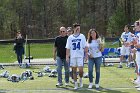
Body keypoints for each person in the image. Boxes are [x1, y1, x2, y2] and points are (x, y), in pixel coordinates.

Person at [66, 23, 88, 90]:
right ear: (74, 29)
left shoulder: (82, 36)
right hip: (73, 56)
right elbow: (68, 47)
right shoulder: (70, 37)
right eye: (77, 28)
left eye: (79, 28)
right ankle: (75, 84)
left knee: (81, 70)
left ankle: (80, 79)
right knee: (74, 71)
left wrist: (86, 55)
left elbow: (85, 46)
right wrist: (67, 56)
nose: (78, 30)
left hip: (80, 56)